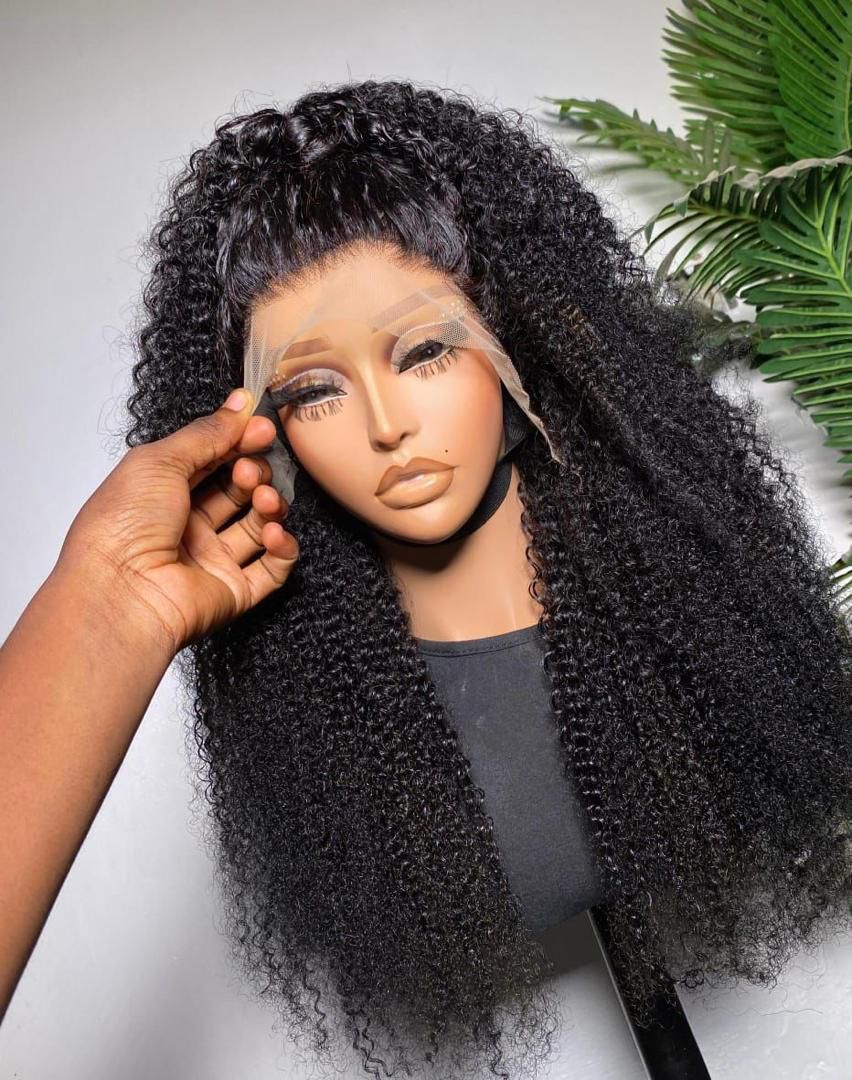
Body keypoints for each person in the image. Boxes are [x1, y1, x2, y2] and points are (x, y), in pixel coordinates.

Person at [2, 78, 851, 1080]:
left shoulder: (681, 606)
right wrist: (115, 599)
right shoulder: (338, 719)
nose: (386, 425)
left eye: (425, 351)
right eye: (315, 389)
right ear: (260, 426)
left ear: (516, 335)